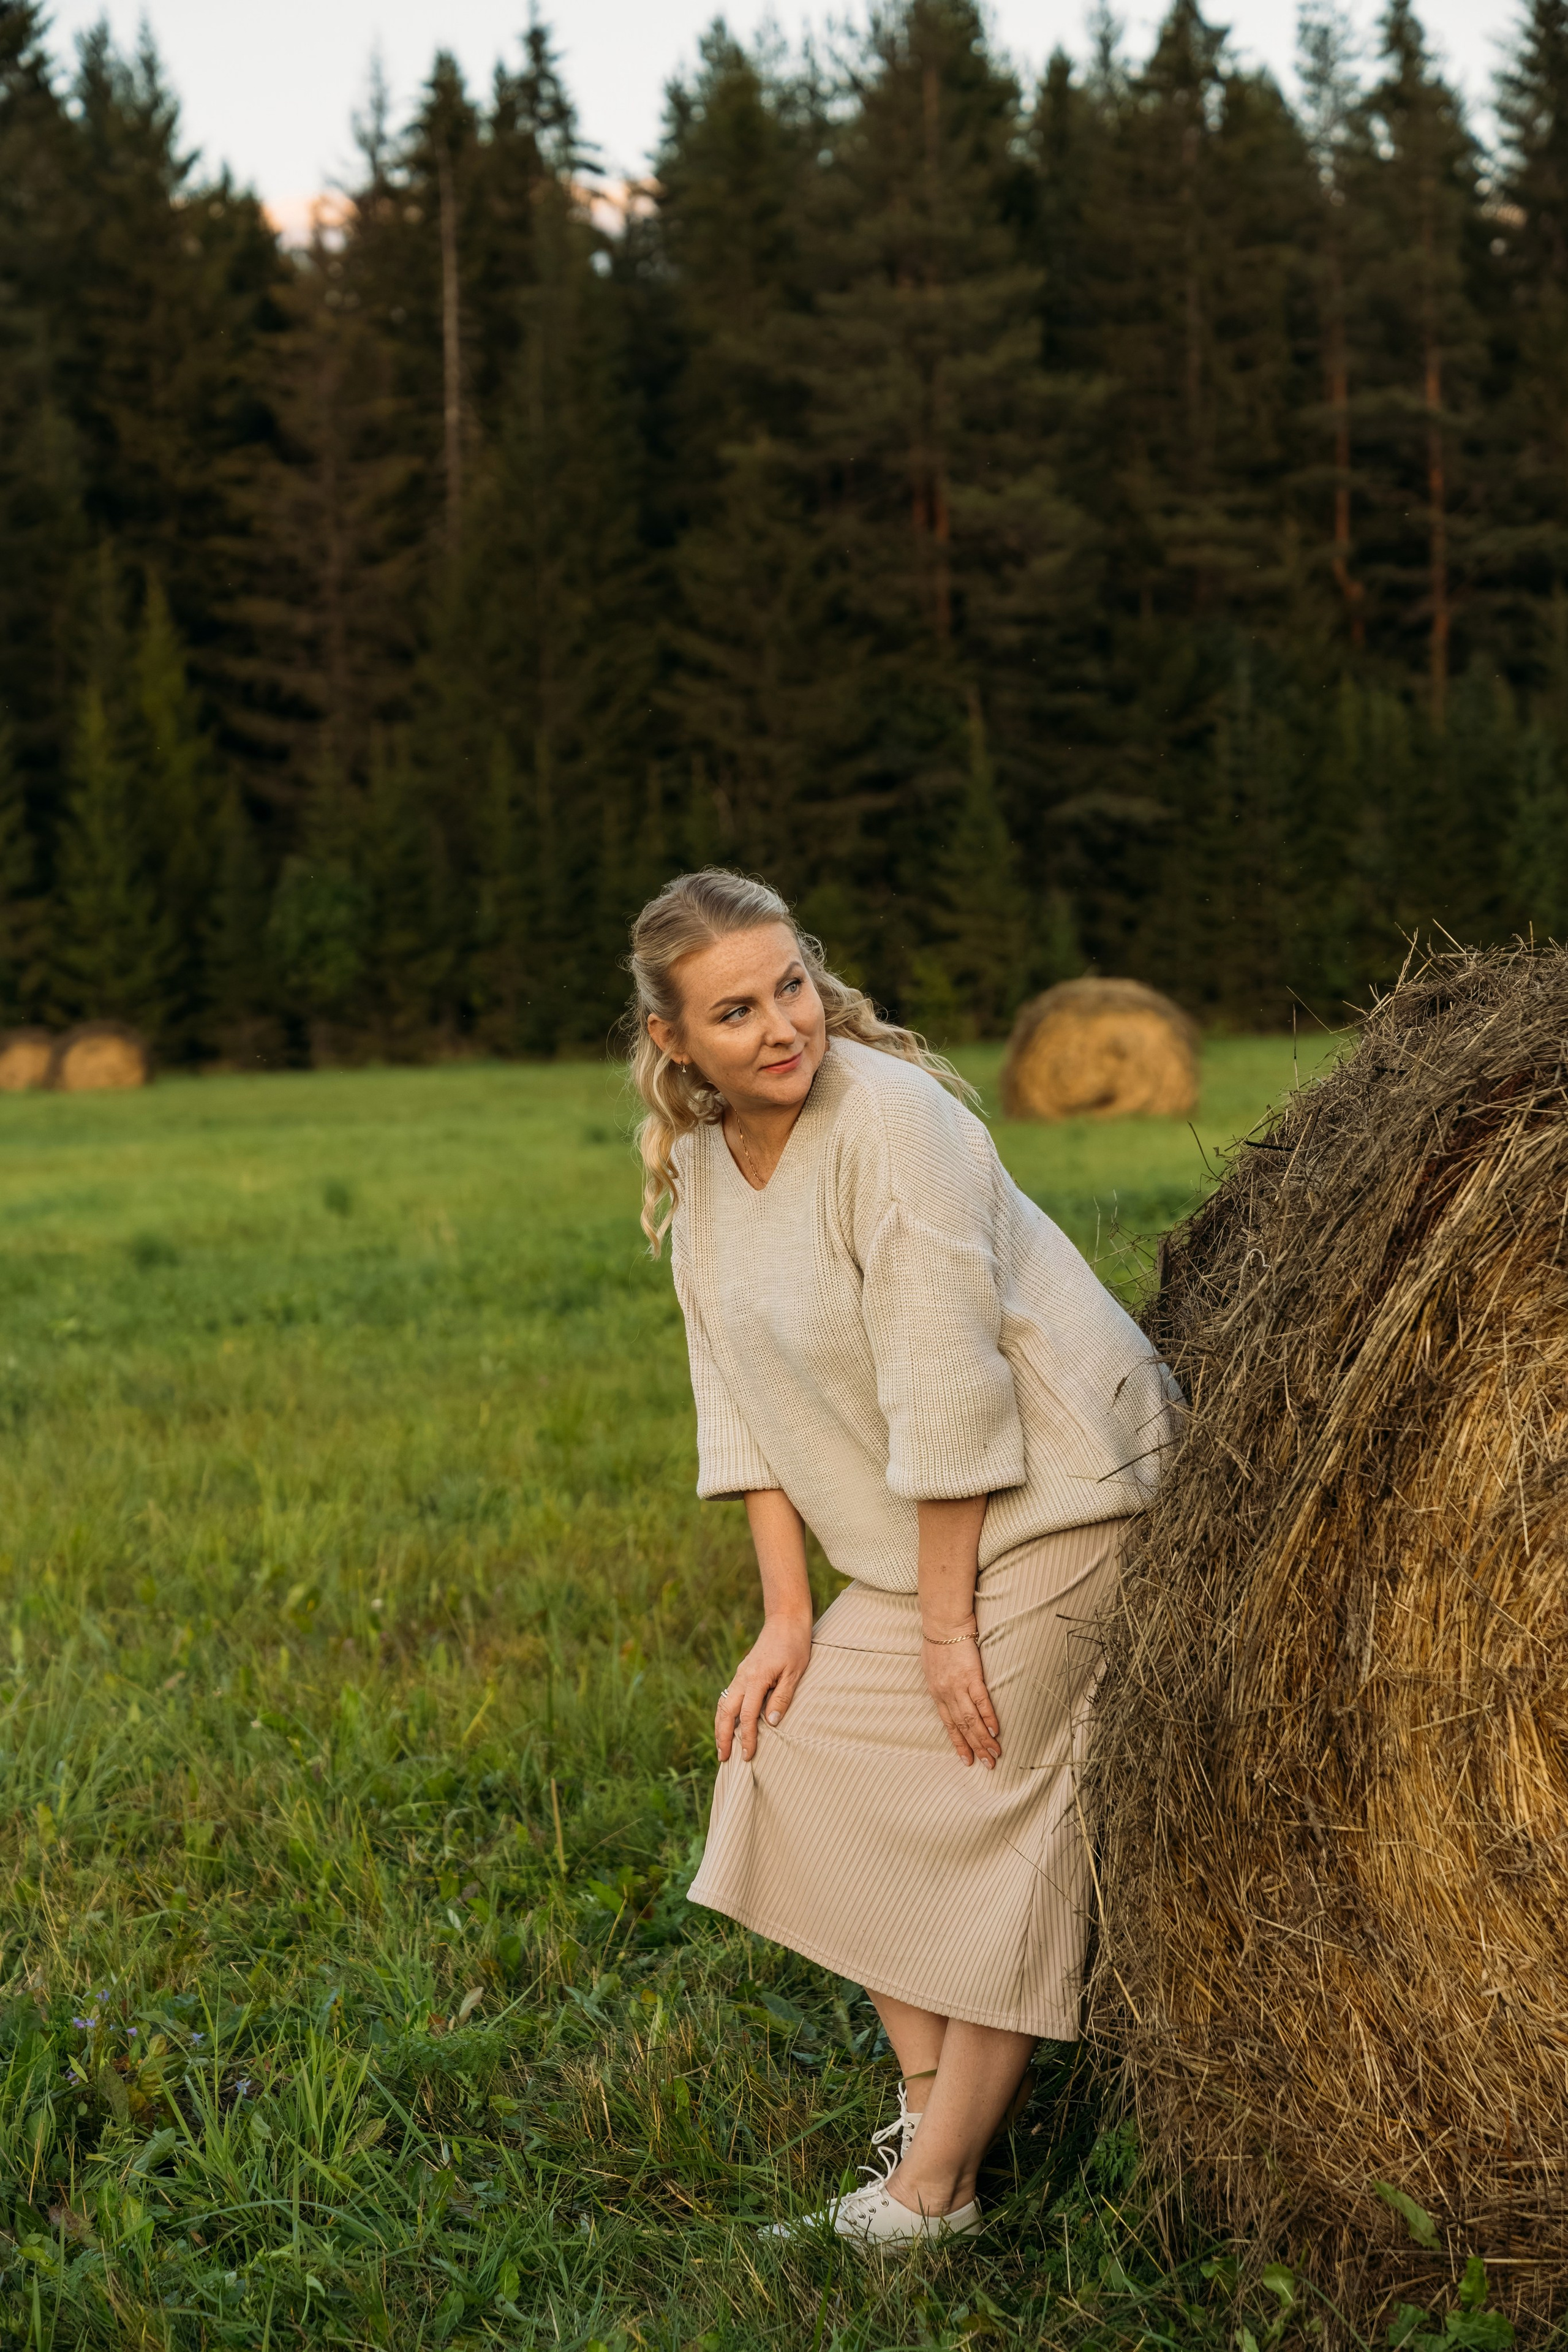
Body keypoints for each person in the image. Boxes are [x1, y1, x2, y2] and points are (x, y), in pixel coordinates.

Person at [625, 869, 1182, 2245]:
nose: (779, 1027)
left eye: (791, 985)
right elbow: (736, 1400)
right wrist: (784, 1618)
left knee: (987, 1787)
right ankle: (936, 2116)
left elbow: (953, 1399)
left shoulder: (898, 1122)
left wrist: (945, 1634)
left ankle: (932, 2193)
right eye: (734, 1010)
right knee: (788, 1755)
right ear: (673, 1045)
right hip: (928, 1534)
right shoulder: (700, 1170)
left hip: (1064, 1500)